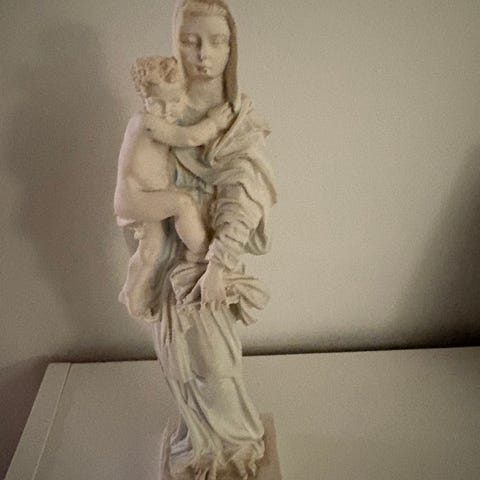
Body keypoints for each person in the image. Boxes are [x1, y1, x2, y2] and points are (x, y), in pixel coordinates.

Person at [132, 0, 277, 478]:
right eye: (190, 41)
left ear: (233, 48)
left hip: (208, 265)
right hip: (169, 263)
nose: (203, 55)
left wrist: (218, 262)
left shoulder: (237, 123)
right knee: (180, 364)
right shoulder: (159, 114)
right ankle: (200, 442)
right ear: (175, 43)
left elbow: (246, 194)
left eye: (217, 42)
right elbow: (130, 194)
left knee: (216, 365)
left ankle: (233, 445)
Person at [114, 55, 233, 320]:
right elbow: (187, 137)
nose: (167, 110)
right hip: (137, 197)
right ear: (144, 99)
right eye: (157, 103)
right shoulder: (145, 122)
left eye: (175, 100)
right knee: (182, 204)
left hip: (145, 198)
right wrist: (214, 122)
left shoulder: (157, 120)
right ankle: (202, 252)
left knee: (151, 250)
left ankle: (132, 293)